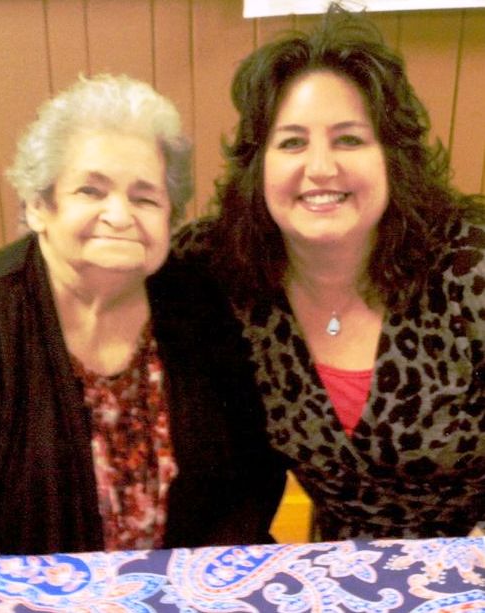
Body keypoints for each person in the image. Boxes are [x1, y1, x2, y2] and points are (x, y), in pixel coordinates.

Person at [0, 73, 284, 561]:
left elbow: (252, 476)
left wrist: (197, 582)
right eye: (91, 191)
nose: (120, 216)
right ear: (39, 206)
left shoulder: (201, 303)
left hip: (188, 585)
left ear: (169, 217)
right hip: (29, 591)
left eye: (144, 197)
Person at [172, 4, 485, 541]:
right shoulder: (217, 266)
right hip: (337, 564)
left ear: (392, 158)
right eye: (292, 142)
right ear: (258, 165)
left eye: (349, 139)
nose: (320, 168)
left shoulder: (469, 269)